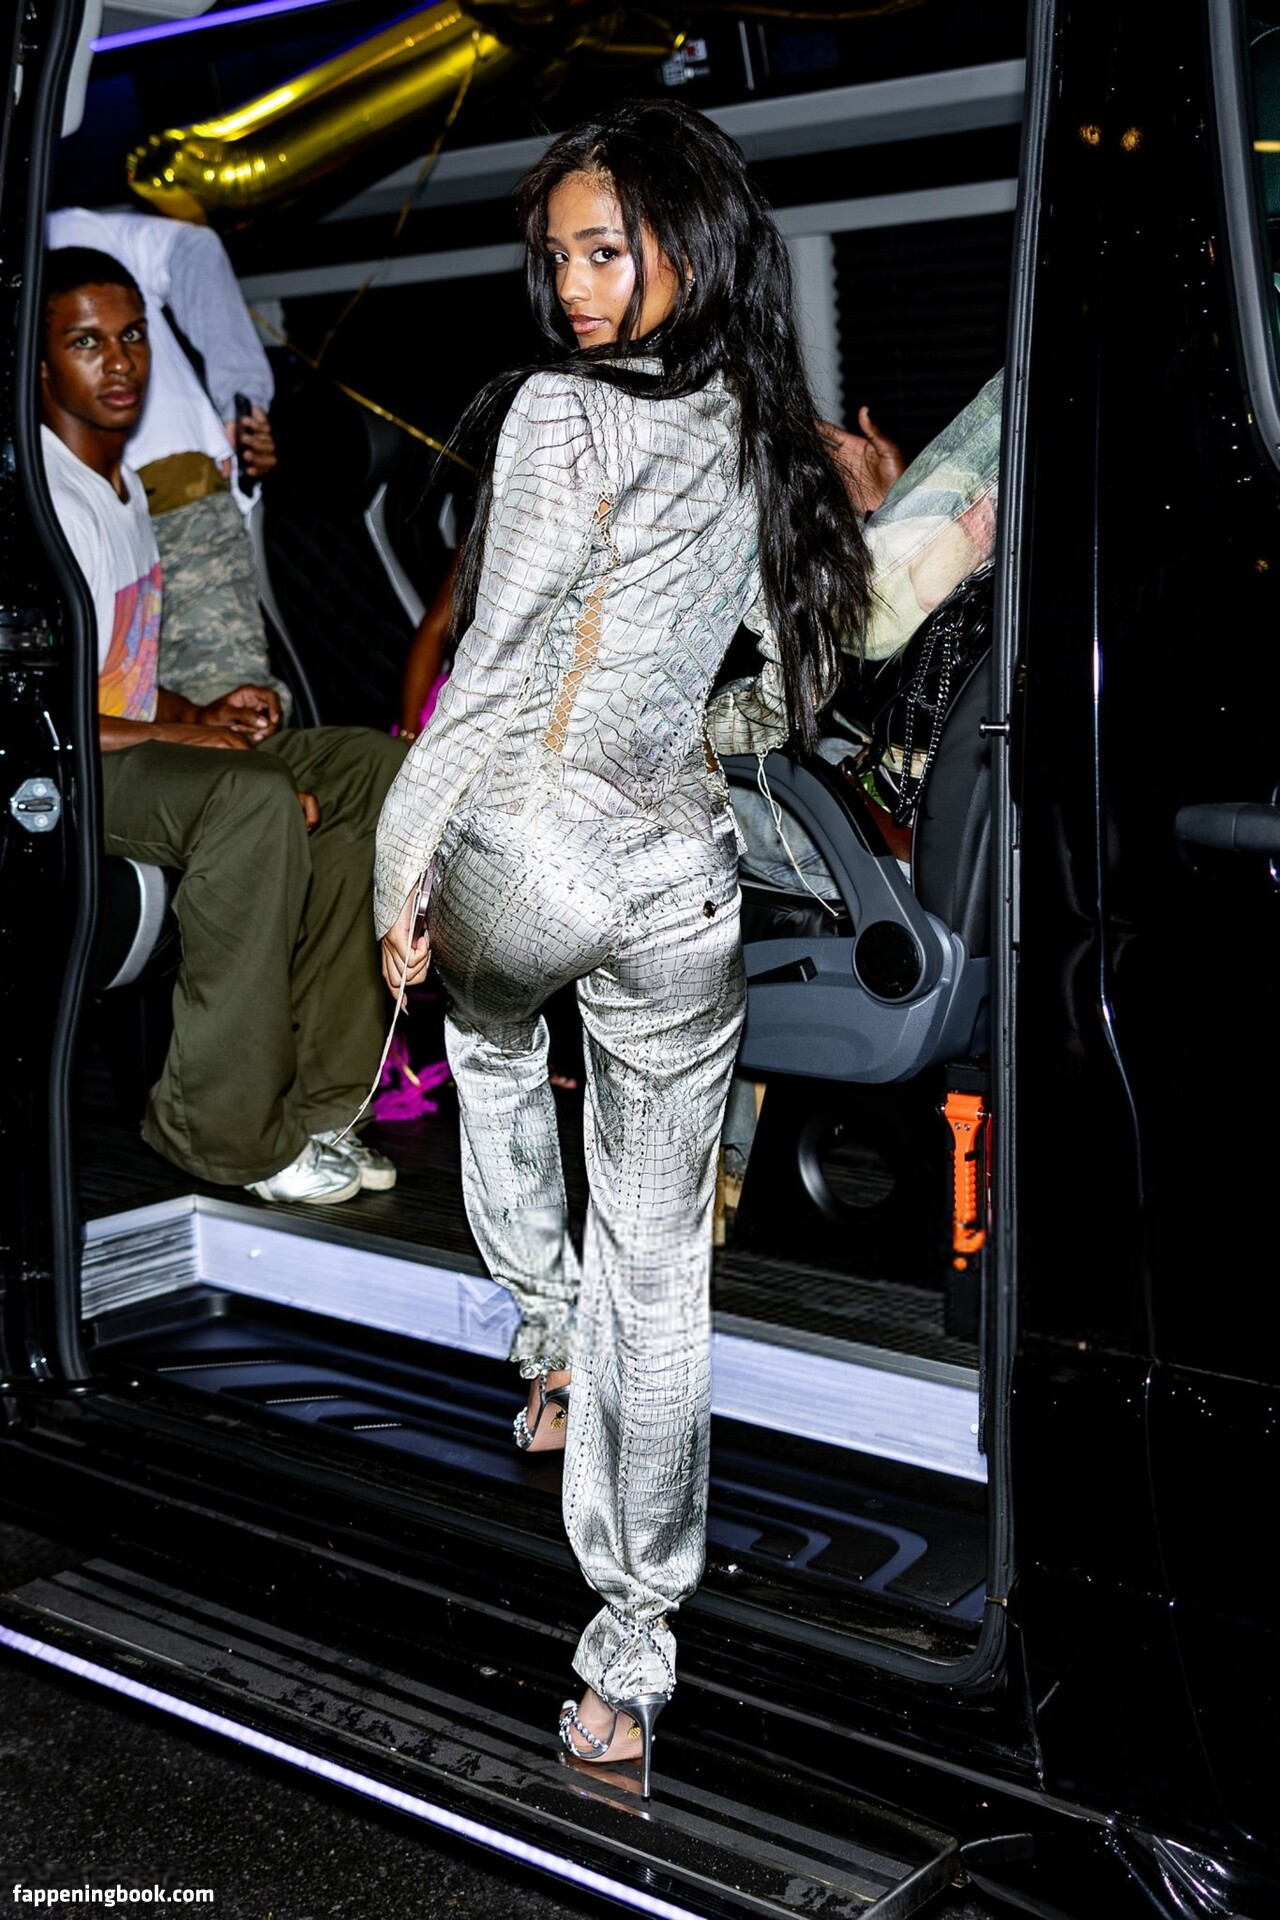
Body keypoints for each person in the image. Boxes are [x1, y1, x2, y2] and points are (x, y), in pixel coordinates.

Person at [373, 99, 872, 1792]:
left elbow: (491, 681)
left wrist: (397, 881)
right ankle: (630, 1658)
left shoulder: (558, 416)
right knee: (661, 1266)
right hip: (683, 881)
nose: (576, 289)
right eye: (561, 258)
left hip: (537, 850)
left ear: (692, 246)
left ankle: (542, 1348)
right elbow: (784, 693)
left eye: (607, 251)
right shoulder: (766, 433)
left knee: (488, 1030)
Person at [41, 244, 407, 1205]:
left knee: (369, 768)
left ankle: (324, 1106)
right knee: (249, 798)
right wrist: (184, 739)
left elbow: (114, 677)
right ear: (37, 367)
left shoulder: (123, 487)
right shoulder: (45, 503)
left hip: (127, 747)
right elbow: (42, 713)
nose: (120, 362)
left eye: (132, 336)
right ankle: (222, 1129)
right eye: (86, 343)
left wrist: (200, 713)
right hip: (65, 774)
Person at [44, 206, 290, 718]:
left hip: (171, 485)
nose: (118, 359)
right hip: (61, 502)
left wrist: (241, 402)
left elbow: (194, 250)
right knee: (116, 704)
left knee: (227, 699)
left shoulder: (67, 229)